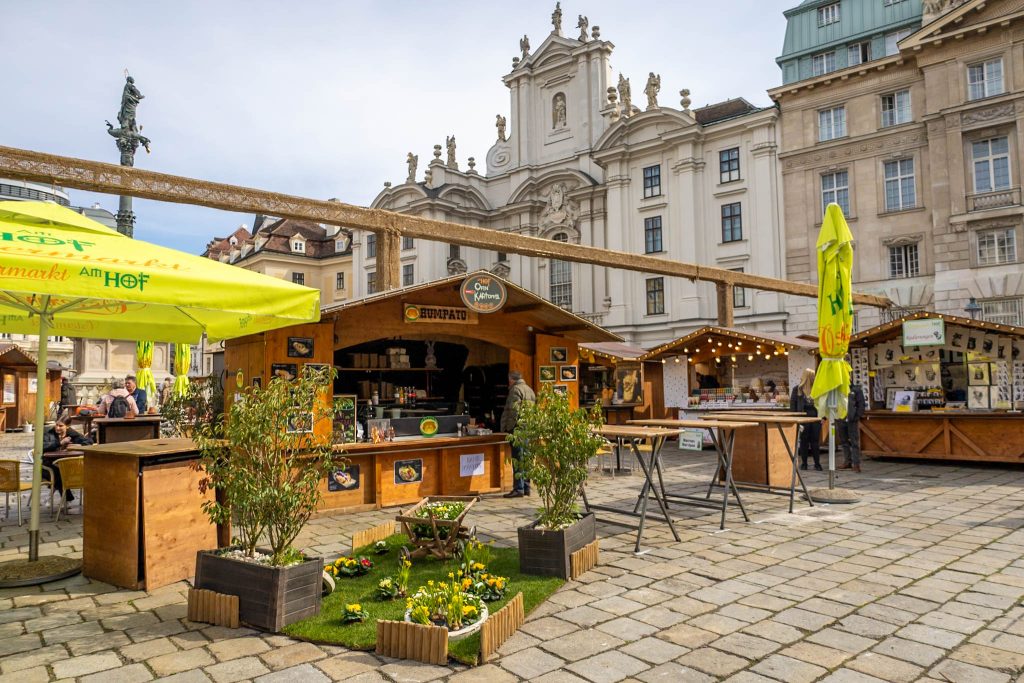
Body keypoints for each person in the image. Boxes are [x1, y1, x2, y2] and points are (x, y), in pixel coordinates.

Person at [501, 371, 536, 498]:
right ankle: (526, 487)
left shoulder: (515, 390)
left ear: (511, 379)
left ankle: (518, 488)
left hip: (518, 429)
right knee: (525, 458)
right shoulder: (529, 389)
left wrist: (508, 428)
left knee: (517, 458)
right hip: (528, 428)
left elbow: (513, 411)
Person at [42, 418, 93, 501]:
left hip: (65, 464)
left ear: (67, 426)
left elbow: (89, 441)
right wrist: (60, 443)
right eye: (56, 425)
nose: (57, 428)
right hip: (47, 465)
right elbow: (43, 447)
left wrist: (79, 445)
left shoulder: (72, 434)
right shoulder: (49, 433)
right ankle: (68, 499)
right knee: (60, 474)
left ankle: (56, 496)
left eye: (60, 426)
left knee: (65, 472)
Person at [790, 369, 822, 471]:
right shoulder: (797, 389)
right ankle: (804, 464)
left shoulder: (817, 389)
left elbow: (822, 404)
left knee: (815, 442)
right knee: (804, 441)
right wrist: (794, 419)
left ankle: (817, 464)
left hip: (815, 419)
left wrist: (823, 417)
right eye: (813, 376)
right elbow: (793, 405)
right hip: (802, 418)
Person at [837, 380, 866, 473]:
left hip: (852, 420)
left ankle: (856, 464)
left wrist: (856, 416)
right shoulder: (838, 390)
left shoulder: (856, 390)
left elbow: (861, 404)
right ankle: (847, 462)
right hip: (840, 419)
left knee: (854, 442)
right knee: (844, 442)